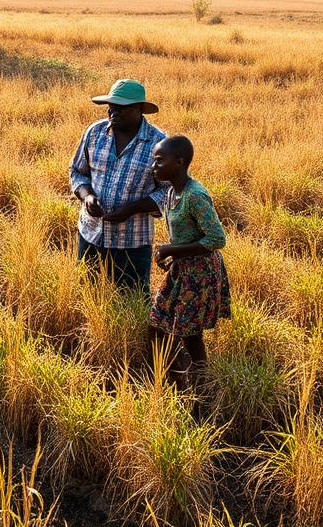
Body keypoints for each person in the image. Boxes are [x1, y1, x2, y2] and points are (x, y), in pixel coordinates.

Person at [69, 79, 168, 295]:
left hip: (132, 242)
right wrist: (87, 197)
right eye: (111, 107)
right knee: (89, 295)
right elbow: (77, 172)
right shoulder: (94, 133)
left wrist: (133, 208)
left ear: (139, 110)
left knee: (131, 301)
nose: (113, 112)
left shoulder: (158, 143)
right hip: (91, 233)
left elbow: (169, 192)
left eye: (121, 108)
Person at [148, 134, 231, 390]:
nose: (154, 166)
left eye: (160, 161)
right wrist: (173, 254)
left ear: (179, 162)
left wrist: (174, 249)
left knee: (189, 335)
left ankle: (197, 388)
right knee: (158, 325)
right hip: (182, 270)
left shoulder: (195, 195)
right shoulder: (174, 192)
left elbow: (217, 238)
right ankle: (177, 383)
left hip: (200, 275)